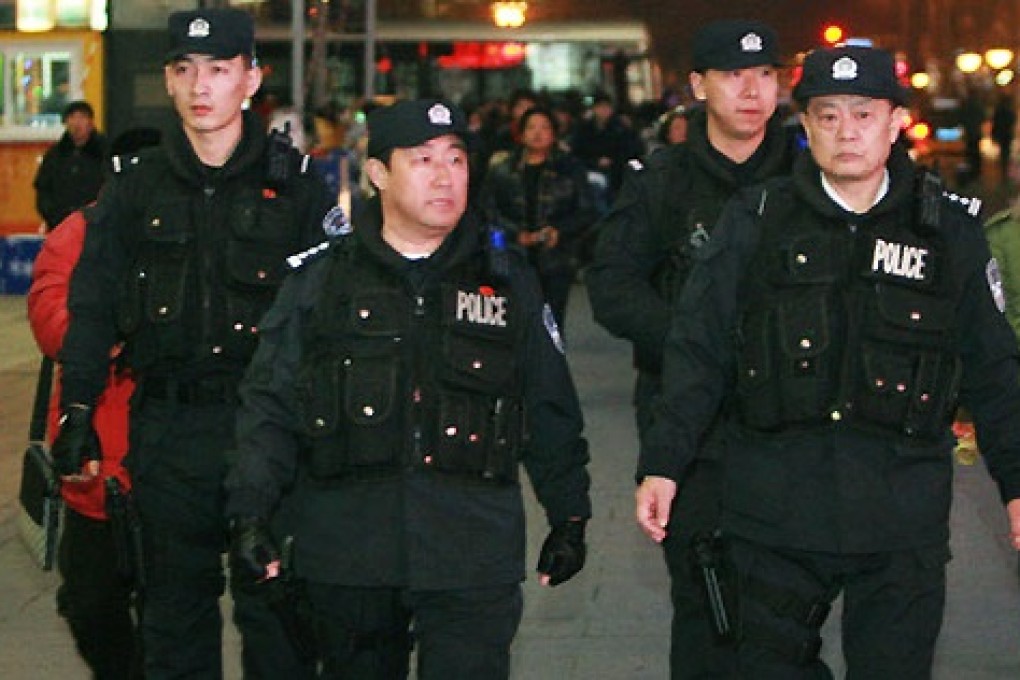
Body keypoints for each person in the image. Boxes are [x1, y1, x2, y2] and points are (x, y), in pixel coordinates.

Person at [636, 43, 1020, 678]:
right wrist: (664, 463)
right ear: (806, 124)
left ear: (896, 122)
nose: (847, 132)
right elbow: (697, 348)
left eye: (864, 114)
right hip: (775, 508)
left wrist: (1015, 481)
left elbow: (993, 368)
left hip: (899, 516)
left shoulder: (947, 234)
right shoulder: (756, 221)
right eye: (828, 115)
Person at [224, 98, 592, 679]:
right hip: (349, 551)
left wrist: (570, 516)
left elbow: (549, 406)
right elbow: (269, 405)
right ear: (378, 174)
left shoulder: (507, 282)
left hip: (472, 549)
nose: (445, 176)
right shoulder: (322, 282)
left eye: (456, 159)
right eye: (422, 160)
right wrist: (250, 514)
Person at [48, 8, 335, 678]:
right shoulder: (134, 185)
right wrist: (80, 409)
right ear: (170, 83)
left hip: (270, 435)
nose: (200, 85)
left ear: (250, 79)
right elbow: (90, 305)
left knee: (280, 627)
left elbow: (334, 317)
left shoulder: (295, 186)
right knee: (174, 627)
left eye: (218, 69)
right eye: (184, 70)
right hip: (169, 435)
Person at [586, 19, 793, 679]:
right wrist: (696, 340)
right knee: (705, 602)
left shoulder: (809, 173)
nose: (751, 90)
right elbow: (613, 288)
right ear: (699, 86)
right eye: (733, 75)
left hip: (793, 425)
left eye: (764, 75)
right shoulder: (663, 180)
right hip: (689, 428)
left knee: (785, 609)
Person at [27, 210, 140, 679]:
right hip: (94, 467)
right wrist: (106, 331)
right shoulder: (82, 230)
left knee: (173, 612)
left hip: (174, 460)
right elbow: (49, 312)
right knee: (90, 605)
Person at [479, 105, 597, 333]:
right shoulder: (502, 170)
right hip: (513, 255)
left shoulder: (570, 168)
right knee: (516, 322)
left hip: (556, 258)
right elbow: (487, 209)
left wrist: (559, 231)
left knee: (551, 323)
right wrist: (514, 234)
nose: (538, 133)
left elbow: (586, 211)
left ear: (554, 133)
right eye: (531, 127)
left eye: (545, 127)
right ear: (521, 133)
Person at [33, 100, 108, 231]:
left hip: (97, 225)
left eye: (82, 117)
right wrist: (52, 216)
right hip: (61, 225)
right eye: (72, 117)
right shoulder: (54, 155)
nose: (76, 123)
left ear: (91, 122)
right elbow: (43, 189)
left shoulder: (105, 152)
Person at [991, 92, 1016, 182]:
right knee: (1005, 153)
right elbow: (1012, 120)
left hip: (1001, 134)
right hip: (1006, 134)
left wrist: (994, 134)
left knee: (1003, 153)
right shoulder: (1009, 111)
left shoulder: (999, 110)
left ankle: (1003, 173)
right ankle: (1004, 174)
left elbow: (995, 122)